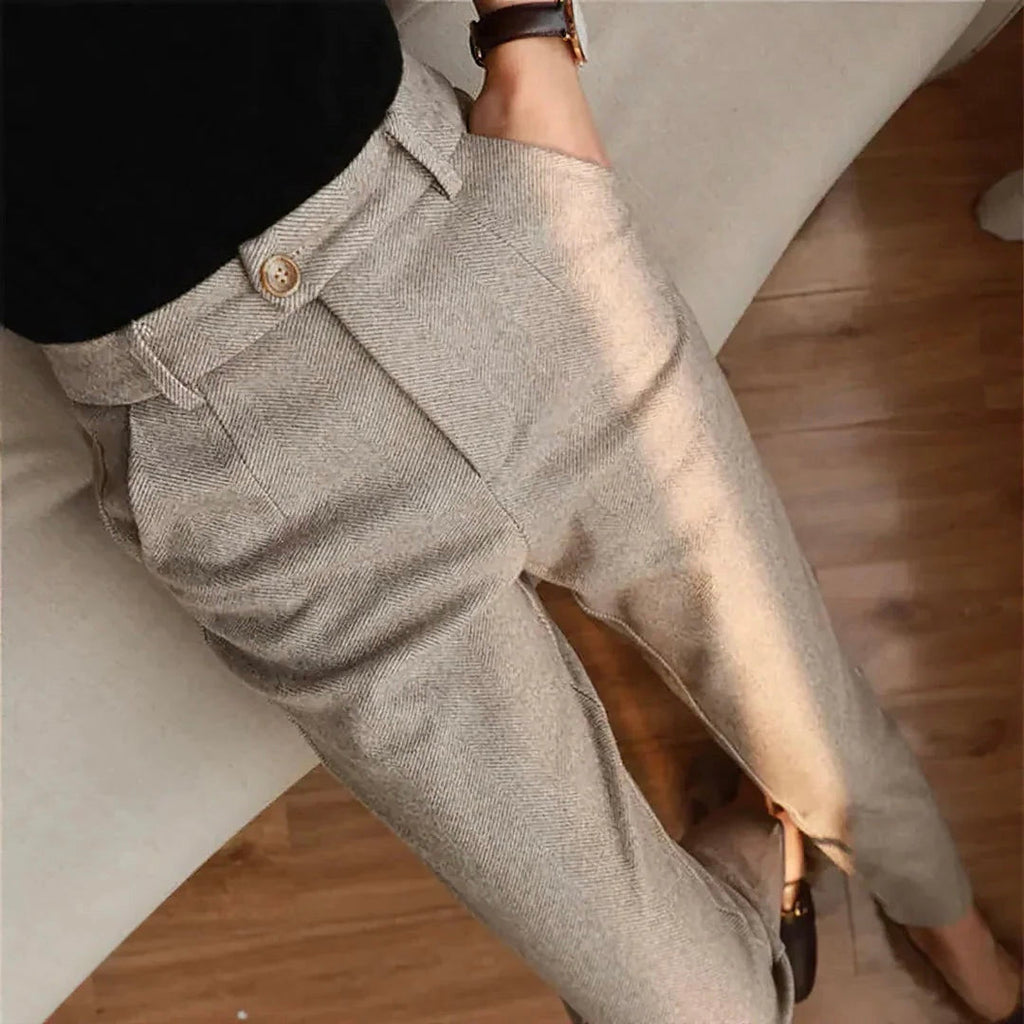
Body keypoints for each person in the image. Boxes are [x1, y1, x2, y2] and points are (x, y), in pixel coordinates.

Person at [2, 2, 1020, 1022]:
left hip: (456, 234)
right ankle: (759, 866)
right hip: (227, 458)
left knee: (826, 733)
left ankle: (952, 926)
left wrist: (531, 45)